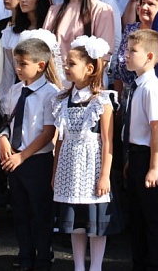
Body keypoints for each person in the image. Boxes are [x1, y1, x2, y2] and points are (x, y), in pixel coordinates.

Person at [50, 36, 117, 271]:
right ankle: (79, 266)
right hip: (70, 165)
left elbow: (108, 142)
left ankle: (96, 267)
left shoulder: (102, 100)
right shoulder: (61, 100)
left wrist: (105, 175)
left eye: (71, 64)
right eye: (66, 63)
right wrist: (56, 171)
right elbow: (60, 139)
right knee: (76, 222)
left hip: (92, 165)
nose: (66, 68)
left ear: (89, 68)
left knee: (95, 222)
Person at [0, 36, 59, 271]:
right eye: (16, 63)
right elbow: (7, 120)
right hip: (15, 158)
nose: (18, 68)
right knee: (20, 211)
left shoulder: (50, 93)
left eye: (23, 64)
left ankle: (43, 257)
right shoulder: (14, 90)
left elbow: (47, 131)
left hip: (37, 159)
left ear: (40, 65)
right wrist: (3, 138)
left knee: (40, 212)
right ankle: (25, 256)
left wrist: (23, 156)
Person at [122, 29, 158, 270]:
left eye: (132, 51)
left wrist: (153, 168)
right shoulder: (138, 85)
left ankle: (156, 264)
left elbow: (157, 129)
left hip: (151, 157)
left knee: (152, 218)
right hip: (139, 155)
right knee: (138, 218)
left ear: (150, 57)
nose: (126, 56)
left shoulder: (152, 88)